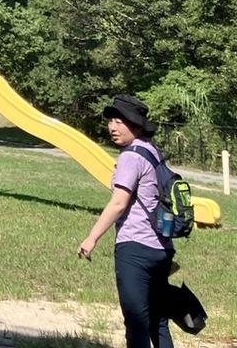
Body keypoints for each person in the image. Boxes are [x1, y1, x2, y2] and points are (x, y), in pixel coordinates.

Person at [78, 93, 174, 348]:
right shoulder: (152, 151)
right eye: (111, 121)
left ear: (136, 125)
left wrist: (92, 237)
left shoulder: (131, 156)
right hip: (162, 248)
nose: (112, 127)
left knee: (137, 323)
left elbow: (119, 203)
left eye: (119, 122)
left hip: (135, 248)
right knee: (158, 321)